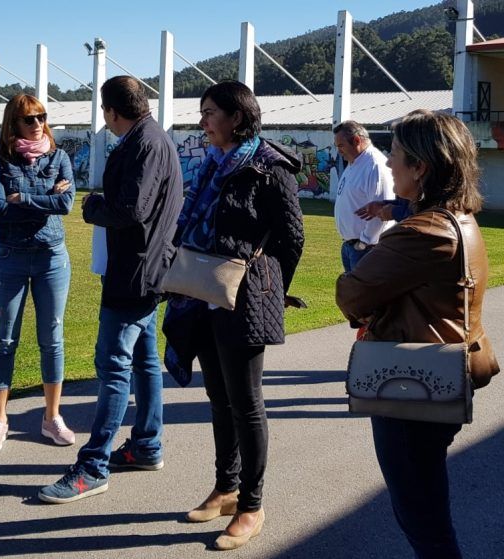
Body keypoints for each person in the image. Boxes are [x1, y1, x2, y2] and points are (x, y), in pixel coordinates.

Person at [336, 109, 499, 558]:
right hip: (440, 376)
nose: (389, 164)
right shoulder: (458, 219)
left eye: (397, 154)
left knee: (422, 518)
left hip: (412, 386)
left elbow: (351, 293)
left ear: (421, 167)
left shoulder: (422, 231)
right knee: (426, 504)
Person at [163, 81, 304, 551]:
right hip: (201, 291)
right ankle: (225, 488)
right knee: (219, 399)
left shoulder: (269, 166)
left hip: (243, 293)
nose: (202, 121)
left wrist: (270, 287)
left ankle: (251, 505)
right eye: (201, 112)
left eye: (209, 113)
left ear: (237, 118)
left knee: (246, 403)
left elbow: (291, 237)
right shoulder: (211, 163)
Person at [38, 76, 184, 504]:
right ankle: (146, 444)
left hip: (135, 274)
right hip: (147, 269)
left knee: (114, 365)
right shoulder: (153, 139)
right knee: (144, 361)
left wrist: (93, 206)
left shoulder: (145, 144)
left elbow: (131, 209)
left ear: (111, 112)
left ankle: (93, 465)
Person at [0, 94, 76, 453]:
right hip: (10, 259)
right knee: (5, 340)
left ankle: (52, 418)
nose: (37, 124)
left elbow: (66, 204)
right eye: (28, 119)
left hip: (52, 258)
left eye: (41, 117)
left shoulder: (59, 157)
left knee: (52, 339)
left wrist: (24, 198)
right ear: (13, 124)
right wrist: (44, 198)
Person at [333, 120, 394, 272]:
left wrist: (364, 242)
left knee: (365, 295)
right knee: (352, 295)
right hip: (352, 246)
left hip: (366, 248)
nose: (339, 151)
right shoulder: (355, 162)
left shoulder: (374, 165)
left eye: (341, 146)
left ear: (357, 141)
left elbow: (382, 211)